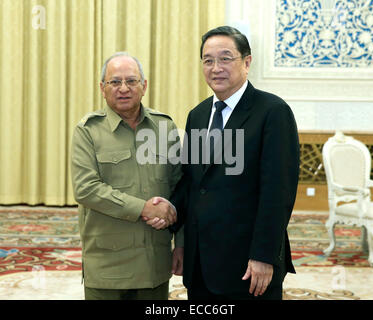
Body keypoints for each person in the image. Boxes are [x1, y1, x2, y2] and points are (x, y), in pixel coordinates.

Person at [170, 26, 300, 300]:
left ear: (247, 62)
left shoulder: (273, 112)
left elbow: (279, 193)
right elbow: (193, 183)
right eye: (208, 60)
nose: (216, 67)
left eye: (225, 58)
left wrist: (263, 256)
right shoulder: (198, 114)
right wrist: (166, 209)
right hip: (201, 264)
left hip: (248, 266)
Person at [71, 52, 183, 300]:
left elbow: (181, 189)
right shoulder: (88, 131)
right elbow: (86, 189)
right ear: (102, 88)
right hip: (107, 267)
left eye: (132, 81)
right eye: (115, 82)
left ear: (144, 86)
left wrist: (182, 243)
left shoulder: (165, 128)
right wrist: (143, 208)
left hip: (154, 264)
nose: (124, 88)